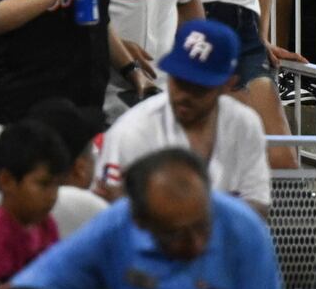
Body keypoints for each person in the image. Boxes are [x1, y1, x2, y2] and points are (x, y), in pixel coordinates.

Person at [8, 146, 292, 289]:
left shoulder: (244, 232)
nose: (196, 243)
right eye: (176, 234)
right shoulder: (115, 228)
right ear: (141, 221)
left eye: (203, 226)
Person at [96, 18, 271, 208]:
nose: (185, 95)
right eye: (180, 83)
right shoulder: (133, 129)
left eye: (199, 88)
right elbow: (107, 210)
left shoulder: (244, 124)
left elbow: (258, 204)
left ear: (228, 85)